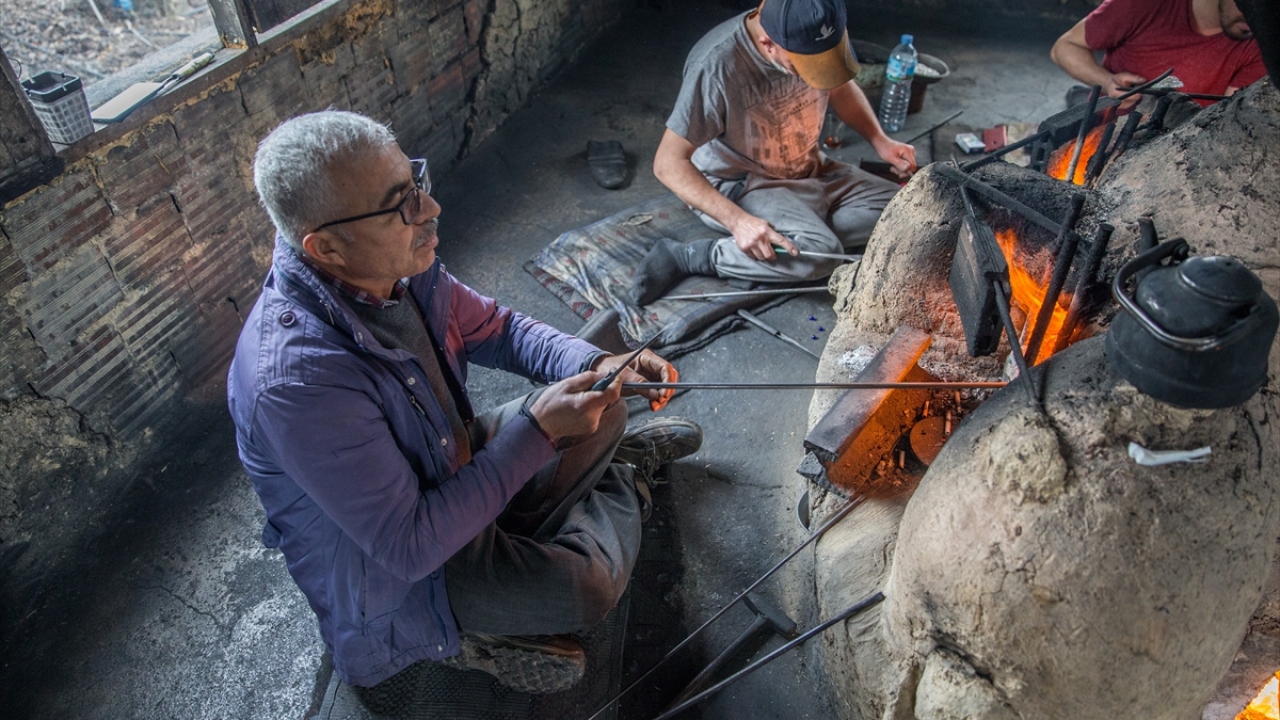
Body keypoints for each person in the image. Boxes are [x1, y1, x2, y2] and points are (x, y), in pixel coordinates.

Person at [227, 110, 703, 694]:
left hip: (446, 462)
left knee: (606, 402)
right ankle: (618, 485)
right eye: (400, 205)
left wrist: (596, 364)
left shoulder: (396, 268)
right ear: (326, 246)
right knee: (588, 587)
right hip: (405, 578)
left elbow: (499, 329)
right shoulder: (298, 383)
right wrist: (538, 432)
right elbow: (409, 545)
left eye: (417, 184)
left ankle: (566, 512)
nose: (430, 211)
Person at [630, 0, 917, 306]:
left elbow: (840, 88)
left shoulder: (818, 26)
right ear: (768, 44)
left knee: (908, 213)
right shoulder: (716, 65)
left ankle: (802, 238)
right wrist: (738, 222)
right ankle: (692, 256)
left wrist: (880, 141)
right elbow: (667, 163)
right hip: (746, 183)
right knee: (822, 259)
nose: (815, 75)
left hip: (812, 168)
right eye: (805, 67)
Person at [1050, 0, 1265, 105]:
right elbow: (1064, 47)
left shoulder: (1259, 43)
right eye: (1250, 4)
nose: (1258, 19)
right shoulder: (1144, 4)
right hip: (1103, 136)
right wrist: (1106, 81)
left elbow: (1227, 117)